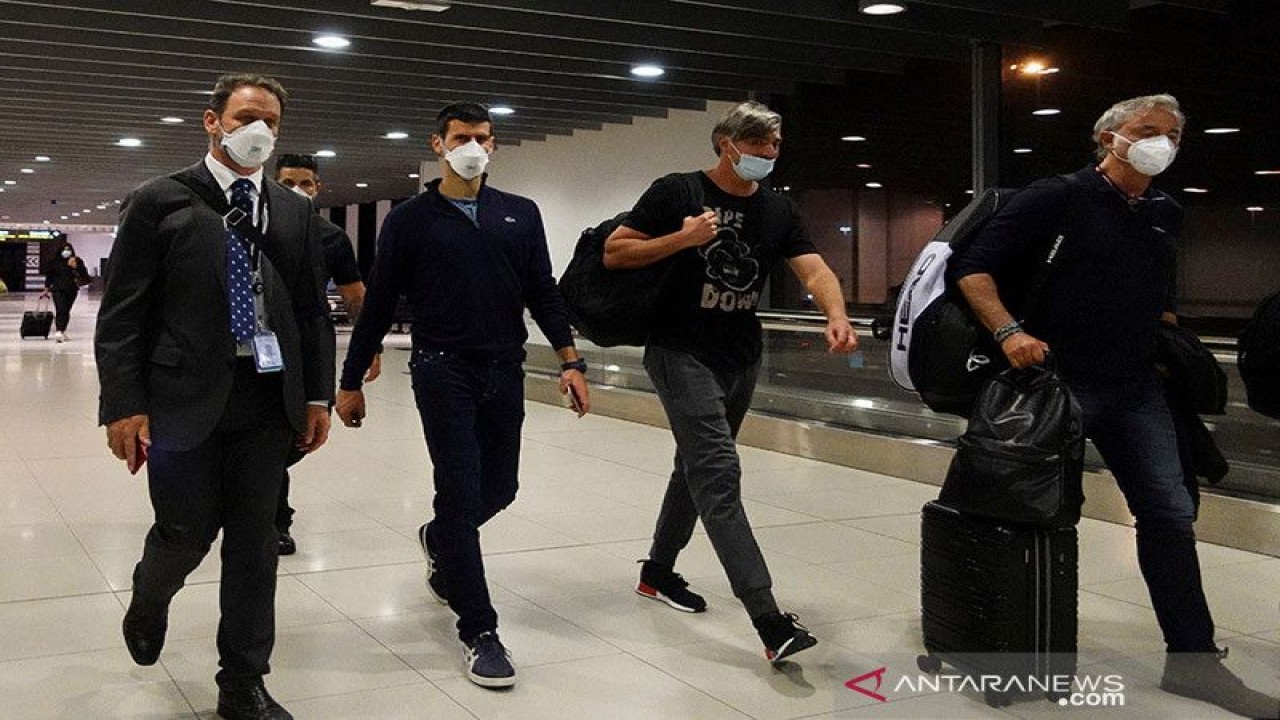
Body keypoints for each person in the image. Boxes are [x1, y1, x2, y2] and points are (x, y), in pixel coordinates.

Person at [951, 93, 1277, 719]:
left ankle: (1195, 664)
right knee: (1038, 517)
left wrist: (1166, 341)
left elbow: (1158, 287)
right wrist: (1009, 332)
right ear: (1108, 139)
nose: (1164, 142)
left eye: (1175, 134)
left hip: (1135, 386)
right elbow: (974, 271)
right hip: (1053, 382)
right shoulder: (1056, 197)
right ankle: (1024, 655)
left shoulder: (1164, 211)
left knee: (1169, 514)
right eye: (1148, 130)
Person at [95, 73, 335, 720]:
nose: (259, 131)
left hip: (266, 399)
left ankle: (243, 683)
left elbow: (312, 311)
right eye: (246, 117)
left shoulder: (295, 210)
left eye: (271, 122)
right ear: (212, 121)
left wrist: (318, 395)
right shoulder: (159, 200)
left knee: (255, 546)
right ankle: (150, 598)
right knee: (185, 533)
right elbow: (122, 314)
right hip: (181, 398)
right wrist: (123, 403)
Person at [335, 102, 590, 689]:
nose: (472, 146)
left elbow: (542, 291)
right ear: (439, 144)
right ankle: (480, 631)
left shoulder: (519, 214)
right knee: (459, 489)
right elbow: (377, 304)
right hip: (441, 368)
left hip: (506, 365)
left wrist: (569, 359)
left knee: (501, 487)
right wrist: (350, 381)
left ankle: (438, 538)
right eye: (461, 137)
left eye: (482, 137)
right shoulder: (411, 220)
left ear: (494, 145)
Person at [602, 100, 858, 664]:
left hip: (741, 356)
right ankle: (768, 619)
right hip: (679, 352)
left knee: (693, 467)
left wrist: (834, 313)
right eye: (758, 145)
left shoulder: (777, 210)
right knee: (718, 474)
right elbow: (616, 251)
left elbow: (813, 269)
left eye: (774, 145)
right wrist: (682, 239)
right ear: (726, 144)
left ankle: (658, 572)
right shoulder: (678, 192)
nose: (768, 155)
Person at [272, 153, 382, 556]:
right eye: (287, 183)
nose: (297, 191)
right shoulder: (251, 227)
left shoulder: (331, 238)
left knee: (291, 436)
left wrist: (370, 345)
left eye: (305, 183)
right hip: (253, 345)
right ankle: (269, 517)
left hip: (305, 347)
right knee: (262, 435)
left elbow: (354, 294)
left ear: (317, 188)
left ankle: (273, 516)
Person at [41, 240, 91, 342]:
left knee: (66, 310)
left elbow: (84, 275)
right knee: (61, 309)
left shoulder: (77, 261)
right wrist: (46, 289)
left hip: (72, 289)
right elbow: (49, 276)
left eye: (68, 249)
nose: (66, 251)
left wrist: (76, 267)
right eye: (64, 249)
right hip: (58, 289)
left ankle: (62, 330)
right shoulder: (54, 262)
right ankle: (58, 331)